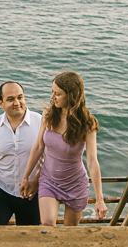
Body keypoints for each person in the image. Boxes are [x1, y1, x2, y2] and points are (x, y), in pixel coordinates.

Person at [20, 71, 106, 226]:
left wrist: (100, 199)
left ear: (71, 95)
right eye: (52, 92)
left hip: (75, 184)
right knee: (47, 224)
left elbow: (92, 162)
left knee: (69, 233)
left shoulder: (87, 124)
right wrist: (27, 177)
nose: (52, 97)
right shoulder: (48, 114)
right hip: (49, 180)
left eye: (57, 94)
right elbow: (39, 147)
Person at [0, 80, 42, 225]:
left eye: (20, 97)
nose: (17, 102)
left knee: (29, 240)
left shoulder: (41, 123)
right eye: (10, 99)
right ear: (1, 103)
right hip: (1, 190)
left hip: (32, 192)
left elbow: (52, 158)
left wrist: (36, 181)